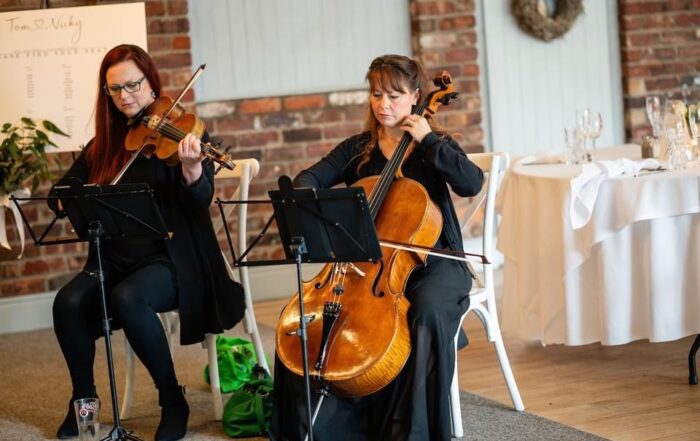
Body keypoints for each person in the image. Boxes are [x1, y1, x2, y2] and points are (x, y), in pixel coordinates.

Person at [270, 54, 484, 440]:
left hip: (437, 261)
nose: (383, 105)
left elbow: (471, 183)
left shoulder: (434, 145)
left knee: (428, 311)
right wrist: (306, 197)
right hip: (370, 267)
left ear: (417, 96)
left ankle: (412, 431)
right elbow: (308, 179)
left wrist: (429, 139)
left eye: (394, 96)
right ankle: (319, 426)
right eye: (376, 95)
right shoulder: (358, 148)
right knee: (305, 317)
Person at [49, 44, 245, 441]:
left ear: (151, 84)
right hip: (115, 256)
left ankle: (173, 400)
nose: (126, 96)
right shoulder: (105, 142)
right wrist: (64, 195)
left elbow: (199, 201)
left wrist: (193, 169)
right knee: (67, 301)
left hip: (171, 258)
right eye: (115, 89)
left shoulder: (181, 133)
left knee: (128, 297)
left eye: (133, 85)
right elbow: (65, 186)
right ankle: (84, 402)